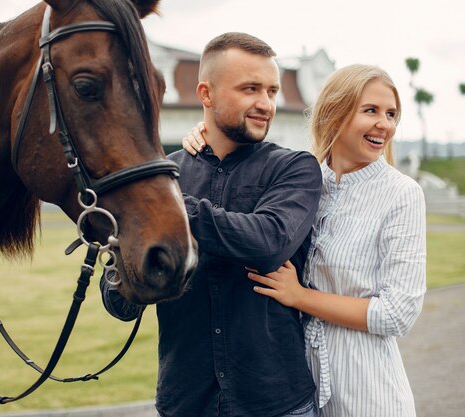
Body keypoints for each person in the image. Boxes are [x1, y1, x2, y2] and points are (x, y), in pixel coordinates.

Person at [183, 64, 427, 417]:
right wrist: (204, 137)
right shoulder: (305, 179)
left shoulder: (402, 194)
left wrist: (300, 296)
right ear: (335, 113)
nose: (385, 124)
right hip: (300, 388)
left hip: (368, 391)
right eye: (371, 111)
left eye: (391, 114)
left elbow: (397, 314)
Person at [101, 32, 322, 417]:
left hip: (275, 402)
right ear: (206, 94)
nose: (266, 104)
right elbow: (118, 304)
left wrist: (163, 206)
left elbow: (268, 242)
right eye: (250, 89)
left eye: (271, 91)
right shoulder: (163, 177)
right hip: (185, 401)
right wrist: (125, 256)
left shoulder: (295, 168)